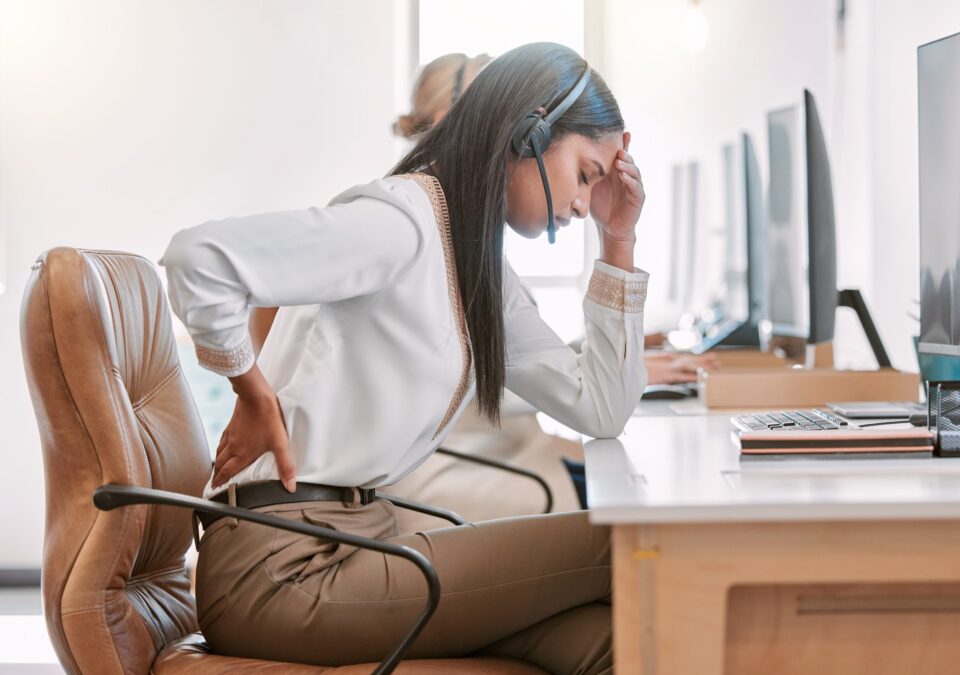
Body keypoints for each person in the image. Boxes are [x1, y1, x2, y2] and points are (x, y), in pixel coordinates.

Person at [162, 43, 644, 673]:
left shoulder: (479, 271)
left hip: (362, 543)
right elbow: (198, 259)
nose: (584, 204)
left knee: (615, 640)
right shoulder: (403, 222)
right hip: (282, 568)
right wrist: (251, 393)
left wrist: (619, 239)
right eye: (585, 174)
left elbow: (601, 405)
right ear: (528, 131)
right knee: (632, 547)